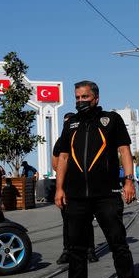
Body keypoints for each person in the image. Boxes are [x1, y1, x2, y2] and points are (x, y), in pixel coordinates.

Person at [54, 80, 139, 278]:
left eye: (85, 97)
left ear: (96, 98)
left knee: (118, 244)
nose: (81, 101)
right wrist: (59, 188)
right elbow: (62, 157)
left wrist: (129, 181)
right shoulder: (70, 123)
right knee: (76, 248)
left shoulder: (111, 120)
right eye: (78, 98)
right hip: (75, 197)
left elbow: (124, 150)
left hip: (107, 195)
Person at [52, 113, 97, 265]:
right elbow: (55, 164)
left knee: (87, 220)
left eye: (70, 122)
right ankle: (67, 251)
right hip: (67, 186)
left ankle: (90, 250)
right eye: (66, 122)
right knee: (67, 221)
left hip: (84, 186)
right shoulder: (60, 142)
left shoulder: (84, 138)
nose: (68, 124)